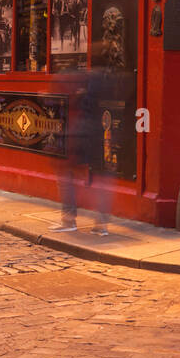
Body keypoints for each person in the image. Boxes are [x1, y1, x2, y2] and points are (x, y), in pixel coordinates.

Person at [51, 68, 113, 236]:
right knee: (100, 178)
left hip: (78, 136)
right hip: (97, 134)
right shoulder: (101, 81)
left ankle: (69, 220)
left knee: (65, 176)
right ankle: (101, 224)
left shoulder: (75, 83)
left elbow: (75, 109)